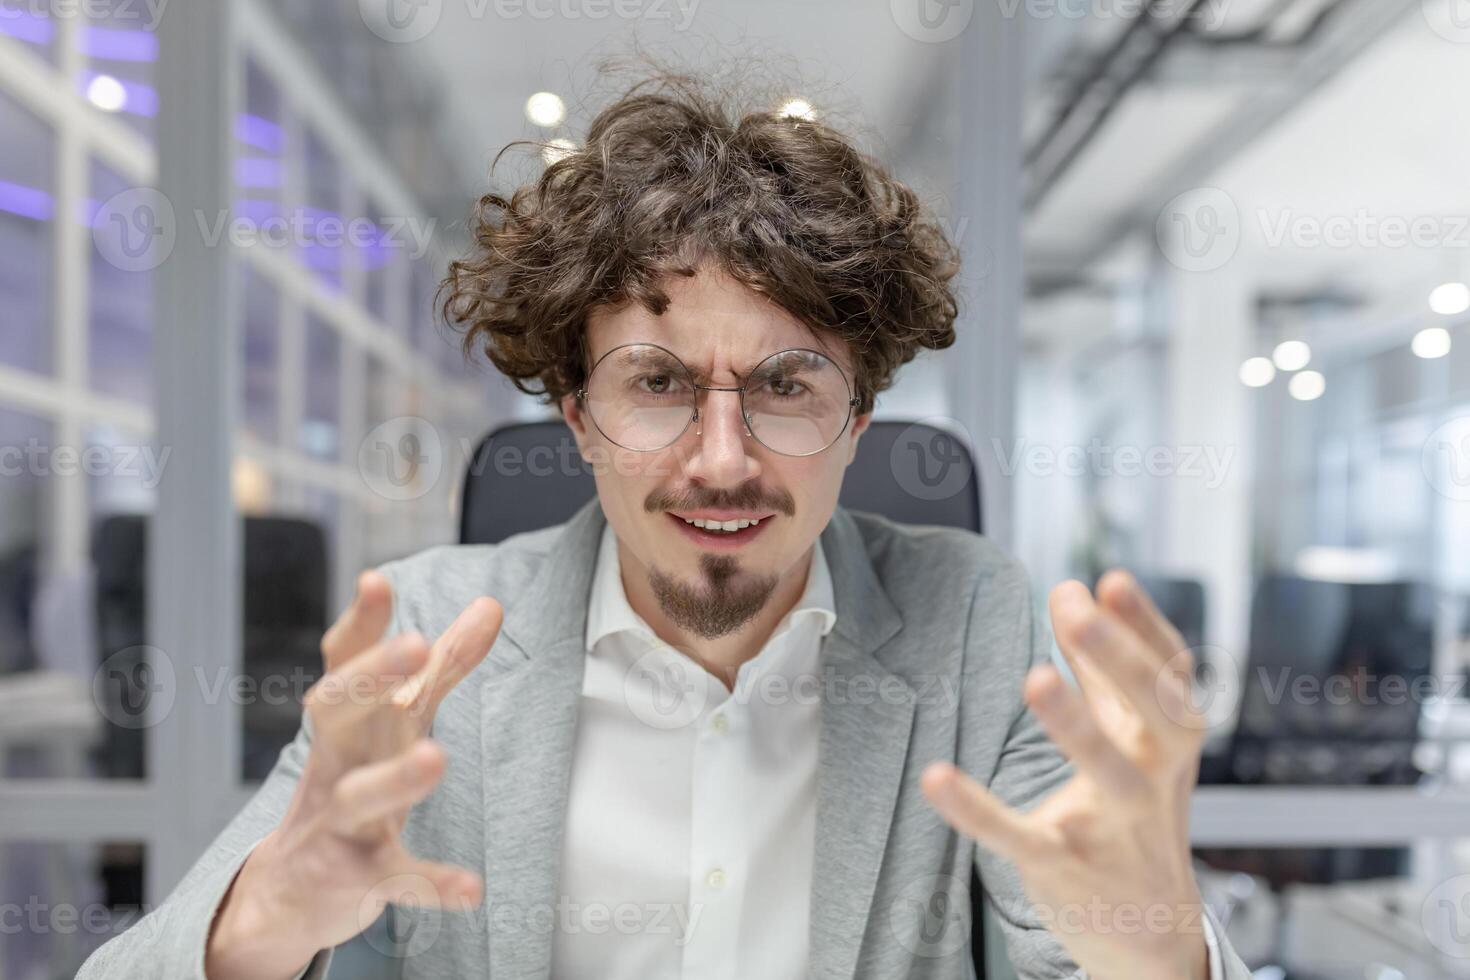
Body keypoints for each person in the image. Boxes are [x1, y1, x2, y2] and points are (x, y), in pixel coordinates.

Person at [79, 70, 1247, 979]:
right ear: (578, 415)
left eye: (788, 383)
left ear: (860, 417)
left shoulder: (981, 626)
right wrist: (270, 914)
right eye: (657, 382)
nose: (723, 457)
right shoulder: (433, 641)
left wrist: (1153, 941)